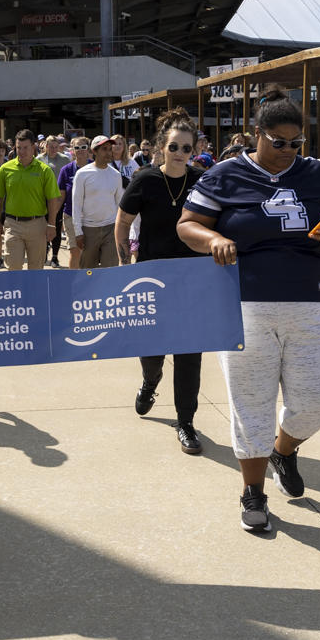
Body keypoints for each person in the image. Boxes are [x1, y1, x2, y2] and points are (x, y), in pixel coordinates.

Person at [178, 84, 320, 533]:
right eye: (278, 142)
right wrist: (214, 239)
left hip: (309, 302)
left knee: (319, 397)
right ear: (257, 134)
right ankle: (253, 492)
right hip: (244, 305)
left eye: (296, 143)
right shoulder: (223, 174)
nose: (287, 150)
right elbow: (187, 225)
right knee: (251, 404)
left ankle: (285, 449)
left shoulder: (318, 175)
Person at [116, 108, 208, 453]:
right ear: (161, 147)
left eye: (187, 148)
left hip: (193, 279)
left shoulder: (202, 180)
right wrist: (126, 263)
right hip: (151, 277)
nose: (181, 154)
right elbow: (123, 222)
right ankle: (150, 380)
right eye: (174, 148)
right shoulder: (145, 180)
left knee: (189, 354)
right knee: (151, 350)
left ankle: (186, 421)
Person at [0, 129, 62, 271]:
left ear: (33, 147)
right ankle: (17, 293)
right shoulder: (5, 169)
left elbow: (52, 198)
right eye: (18, 148)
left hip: (38, 225)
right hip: (13, 225)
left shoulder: (44, 170)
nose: (21, 151)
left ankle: (34, 294)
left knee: (36, 269)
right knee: (13, 267)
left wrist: (52, 224)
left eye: (25, 148)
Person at [72, 135, 124, 270]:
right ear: (94, 151)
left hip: (110, 228)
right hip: (89, 229)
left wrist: (122, 230)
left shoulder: (115, 175)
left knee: (110, 271)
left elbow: (119, 204)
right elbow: (76, 204)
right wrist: (78, 232)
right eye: (104, 149)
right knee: (87, 271)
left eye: (109, 149)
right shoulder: (82, 174)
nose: (108, 153)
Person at [58, 138, 91, 270]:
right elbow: (60, 198)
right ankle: (74, 282)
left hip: (91, 216)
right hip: (71, 215)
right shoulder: (66, 170)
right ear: (72, 150)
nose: (80, 150)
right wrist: (51, 220)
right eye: (77, 148)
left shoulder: (96, 167)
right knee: (75, 251)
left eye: (83, 147)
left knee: (89, 253)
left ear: (89, 149)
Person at [39, 136, 72, 268]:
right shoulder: (39, 159)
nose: (53, 149)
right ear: (46, 146)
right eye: (50, 147)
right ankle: (44, 251)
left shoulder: (64, 159)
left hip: (59, 198)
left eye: (55, 147)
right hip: (42, 199)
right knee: (42, 228)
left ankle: (55, 256)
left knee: (57, 229)